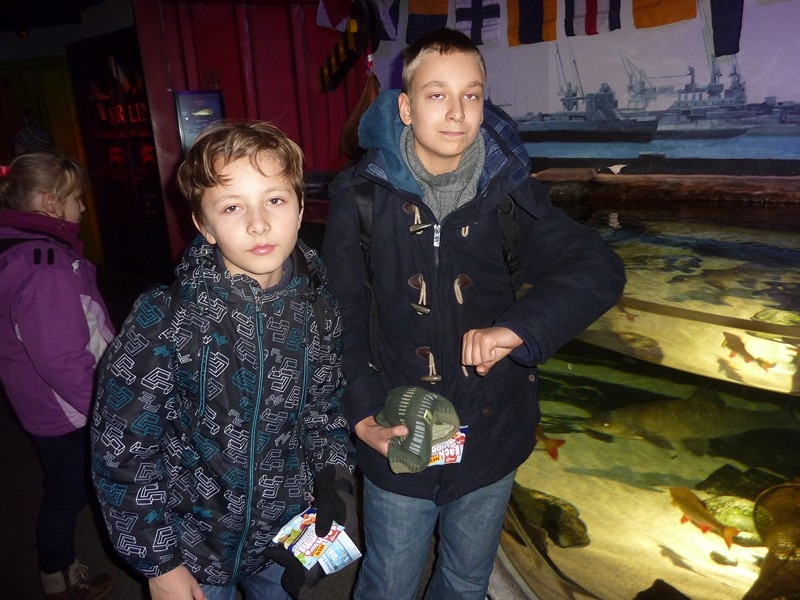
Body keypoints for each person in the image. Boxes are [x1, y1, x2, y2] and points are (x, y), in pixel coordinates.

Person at [321, 28, 626, 600]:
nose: (457, 112)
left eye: (472, 94)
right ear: (406, 108)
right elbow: (339, 317)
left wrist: (519, 327)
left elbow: (597, 267)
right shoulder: (360, 198)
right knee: (388, 583)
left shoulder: (507, 192)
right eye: (437, 94)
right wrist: (361, 414)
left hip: (492, 431)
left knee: (465, 582)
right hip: (398, 429)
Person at [90, 120, 358, 600]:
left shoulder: (320, 310)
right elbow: (122, 448)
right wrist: (159, 563)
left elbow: (323, 410)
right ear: (204, 225)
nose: (259, 223)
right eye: (233, 207)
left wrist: (334, 479)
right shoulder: (166, 318)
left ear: (301, 209)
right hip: (191, 548)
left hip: (280, 538)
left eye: (275, 200)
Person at [0, 152, 116, 599]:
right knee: (67, 492)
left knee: (66, 486)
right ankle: (60, 577)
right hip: (67, 409)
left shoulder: (20, 248)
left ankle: (59, 571)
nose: (82, 208)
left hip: (44, 402)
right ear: (51, 202)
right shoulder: (45, 263)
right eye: (75, 198)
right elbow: (60, 359)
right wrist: (108, 409)